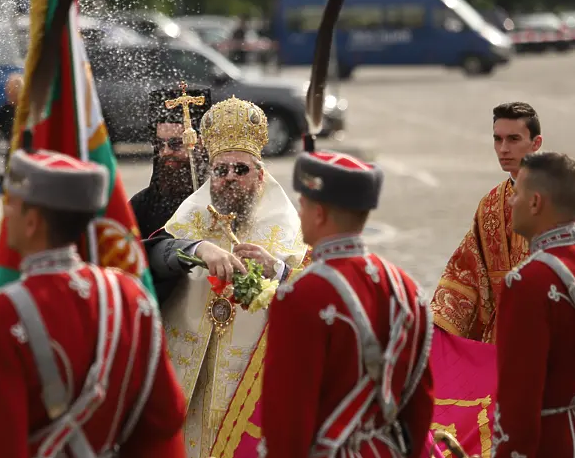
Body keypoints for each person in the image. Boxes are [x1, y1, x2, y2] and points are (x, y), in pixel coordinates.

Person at [0, 149, 187, 458]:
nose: (6, 215)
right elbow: (163, 421)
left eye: (11, 205)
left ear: (31, 222)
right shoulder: (132, 298)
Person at [143, 96, 309, 458]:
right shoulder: (194, 214)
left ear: (261, 174)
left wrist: (278, 270)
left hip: (251, 383)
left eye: (241, 169)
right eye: (222, 170)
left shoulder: (285, 225)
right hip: (191, 377)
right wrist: (197, 248)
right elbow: (151, 254)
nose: (231, 177)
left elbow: (315, 293)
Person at [259, 151, 434, 458]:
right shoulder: (408, 289)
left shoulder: (301, 295)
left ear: (319, 213)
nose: (298, 215)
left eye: (302, 205)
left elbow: (287, 417)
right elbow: (419, 406)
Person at [431, 101, 575, 343]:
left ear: (536, 143)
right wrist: (437, 326)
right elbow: (466, 272)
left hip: (561, 337)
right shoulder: (490, 205)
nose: (503, 149)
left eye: (513, 139)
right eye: (497, 139)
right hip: (503, 338)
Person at [492, 152, 575, 457]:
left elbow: (518, 405)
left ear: (536, 202)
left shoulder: (526, 281)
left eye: (516, 194)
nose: (511, 202)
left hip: (552, 444)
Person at [130, 85, 211, 239]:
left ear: (200, 144)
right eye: (159, 144)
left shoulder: (220, 197)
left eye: (175, 144)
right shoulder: (141, 206)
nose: (165, 152)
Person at [0, 73, 23, 149]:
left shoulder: (26, 108)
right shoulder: (5, 109)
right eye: (8, 90)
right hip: (12, 151)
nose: (9, 93)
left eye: (13, 91)